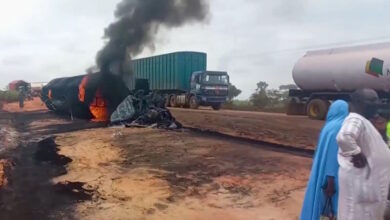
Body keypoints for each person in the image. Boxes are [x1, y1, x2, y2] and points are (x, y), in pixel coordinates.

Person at [337, 88, 390, 220]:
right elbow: (344, 136)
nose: (377, 102)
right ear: (358, 103)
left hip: (366, 186)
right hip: (362, 184)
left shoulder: (364, 121)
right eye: (372, 100)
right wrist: (356, 154)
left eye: (377, 99)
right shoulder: (356, 119)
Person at [300, 100, 349, 220]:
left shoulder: (329, 126)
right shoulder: (340, 127)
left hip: (323, 173)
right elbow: (332, 156)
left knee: (320, 204)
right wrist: (331, 182)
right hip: (331, 178)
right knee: (332, 208)